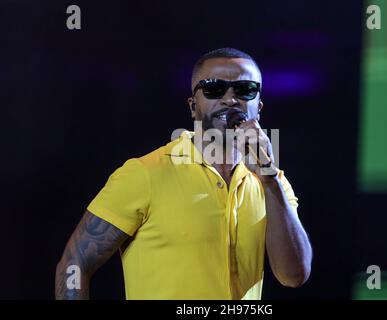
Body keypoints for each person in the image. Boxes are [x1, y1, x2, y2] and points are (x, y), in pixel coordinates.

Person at [55, 47, 312, 300]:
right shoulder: (145, 174)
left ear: (259, 106)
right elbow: (75, 262)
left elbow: (293, 276)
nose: (230, 99)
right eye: (214, 88)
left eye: (245, 89)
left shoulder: (272, 183)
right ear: (192, 106)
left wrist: (269, 178)